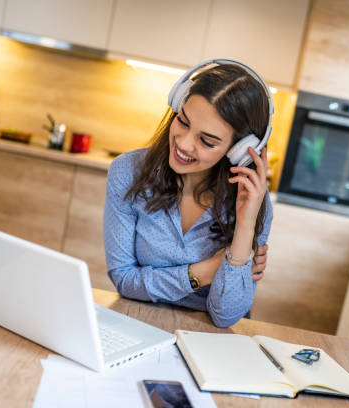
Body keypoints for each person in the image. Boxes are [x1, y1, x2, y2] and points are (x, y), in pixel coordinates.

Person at [103, 60, 273, 327]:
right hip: (136, 323)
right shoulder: (128, 172)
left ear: (240, 150)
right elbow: (124, 280)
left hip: (205, 338)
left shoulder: (251, 200)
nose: (182, 143)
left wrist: (245, 227)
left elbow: (225, 316)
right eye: (182, 121)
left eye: (206, 141)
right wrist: (207, 271)